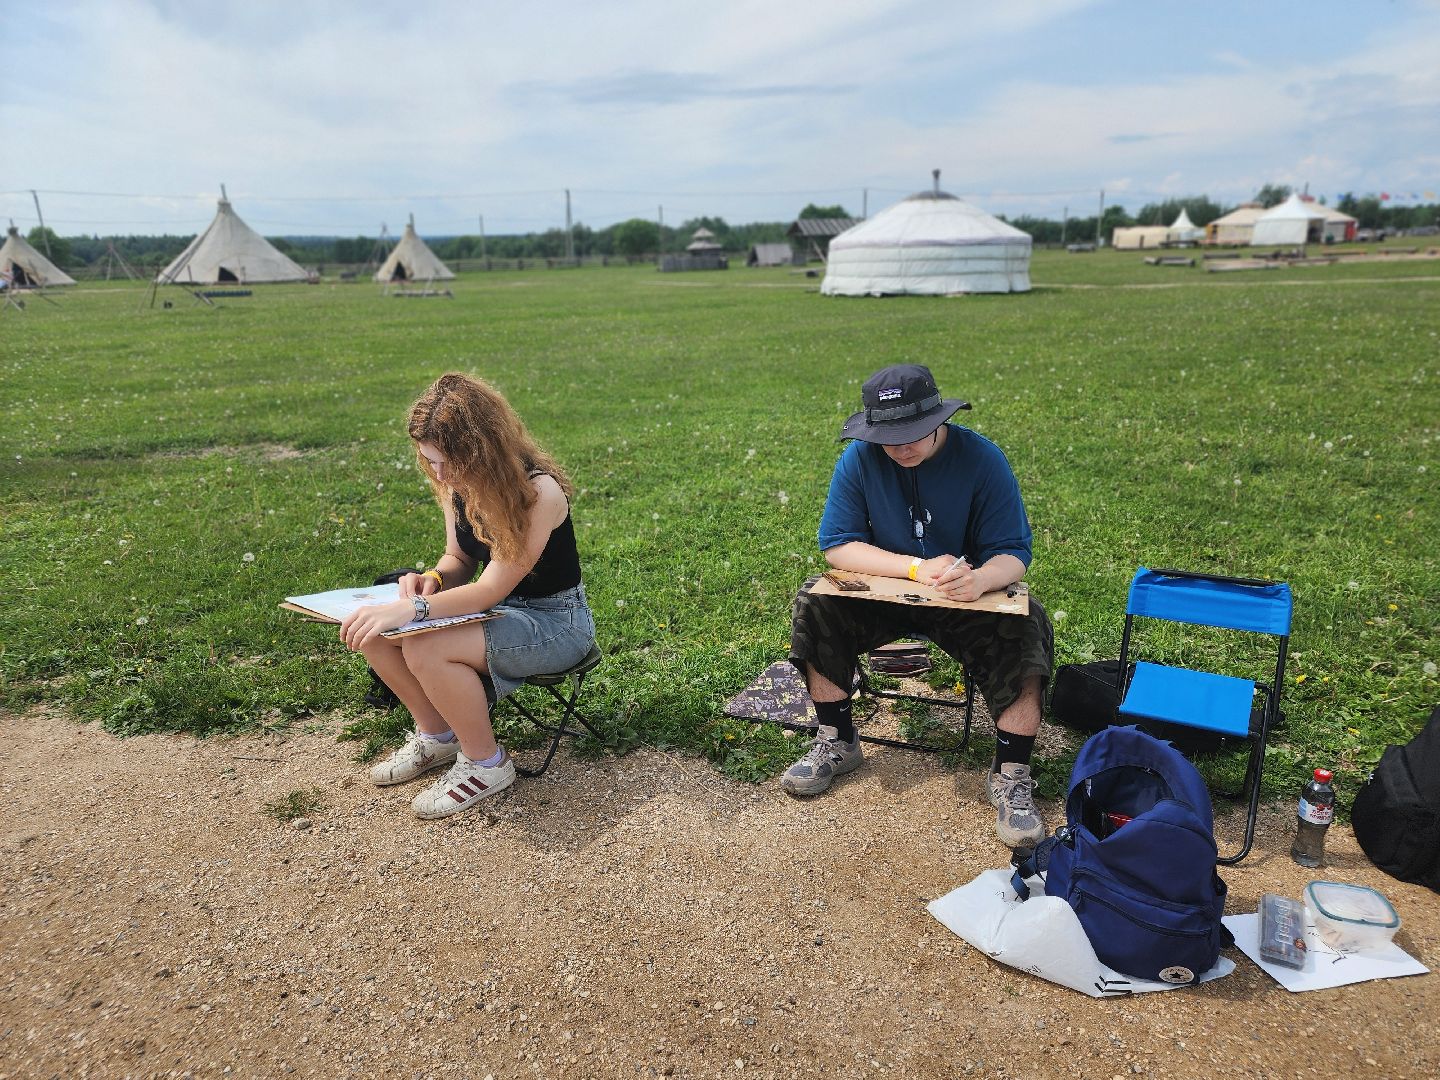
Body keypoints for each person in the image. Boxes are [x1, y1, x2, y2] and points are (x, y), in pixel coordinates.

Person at [782, 364, 1054, 849]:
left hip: (963, 597)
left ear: (939, 419)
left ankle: (1012, 773)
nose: (902, 446)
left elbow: (1014, 551)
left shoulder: (982, 459)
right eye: (889, 437)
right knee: (814, 601)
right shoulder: (860, 460)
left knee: (1029, 623)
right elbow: (837, 546)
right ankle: (838, 740)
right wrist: (913, 567)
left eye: (914, 433)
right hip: (889, 590)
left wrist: (982, 579)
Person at [340, 372, 597, 819]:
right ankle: (438, 736)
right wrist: (431, 582)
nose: (439, 474)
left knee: (424, 640)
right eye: (429, 461)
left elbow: (490, 588)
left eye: (447, 462)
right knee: (375, 629)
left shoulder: (539, 492)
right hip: (499, 612)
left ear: (483, 449)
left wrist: (415, 609)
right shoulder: (455, 480)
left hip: (557, 624)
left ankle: (486, 763)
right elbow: (457, 560)